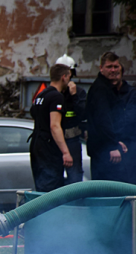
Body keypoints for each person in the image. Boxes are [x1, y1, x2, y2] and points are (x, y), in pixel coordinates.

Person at [86, 52, 131, 183]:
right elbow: (103, 120)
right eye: (109, 67)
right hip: (104, 152)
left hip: (106, 148)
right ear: (101, 68)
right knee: (107, 190)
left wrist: (117, 141)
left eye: (116, 67)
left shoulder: (108, 88)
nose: (113, 70)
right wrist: (112, 146)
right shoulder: (101, 89)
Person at [29, 63, 73, 192]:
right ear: (63, 77)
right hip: (48, 147)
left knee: (41, 186)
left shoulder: (41, 95)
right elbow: (54, 125)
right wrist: (66, 152)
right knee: (51, 188)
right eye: (69, 77)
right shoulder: (56, 96)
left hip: (37, 144)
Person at [55, 55, 87, 185]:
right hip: (55, 142)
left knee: (75, 178)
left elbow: (83, 114)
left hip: (73, 141)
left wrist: (74, 96)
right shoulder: (52, 93)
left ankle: (75, 205)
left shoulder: (78, 93)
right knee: (54, 178)